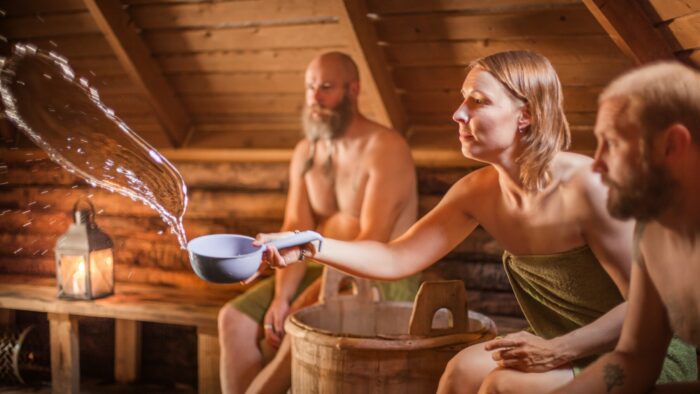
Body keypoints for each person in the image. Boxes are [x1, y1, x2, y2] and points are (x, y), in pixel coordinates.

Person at [259, 51, 697, 393]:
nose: (458, 114)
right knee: (460, 372)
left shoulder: (588, 189)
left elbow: (648, 306)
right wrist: (311, 244)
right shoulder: (478, 193)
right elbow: (395, 258)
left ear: (525, 115)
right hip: (553, 338)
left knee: (500, 385)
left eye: (478, 101)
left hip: (644, 350)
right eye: (463, 99)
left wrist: (558, 349)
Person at [216, 52, 422, 394]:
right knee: (232, 319)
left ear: (352, 90)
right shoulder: (306, 151)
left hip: (379, 276)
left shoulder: (386, 148)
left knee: (298, 328)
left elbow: (371, 243)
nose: (315, 98)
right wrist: (282, 297)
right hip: (317, 266)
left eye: (326, 87)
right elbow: (295, 224)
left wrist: (300, 305)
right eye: (311, 87)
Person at [552, 62, 700, 393]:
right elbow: (635, 358)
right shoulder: (653, 232)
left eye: (613, 143)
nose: (597, 162)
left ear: (672, 144)